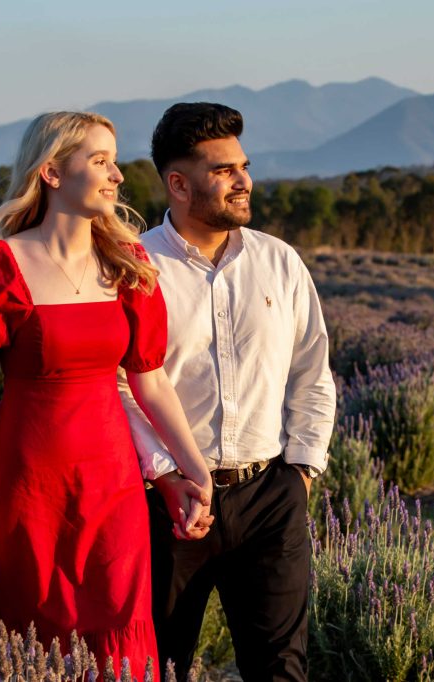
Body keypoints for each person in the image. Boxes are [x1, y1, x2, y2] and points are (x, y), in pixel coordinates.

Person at [0, 111, 213, 680]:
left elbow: (150, 380)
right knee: (21, 642)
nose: (117, 174)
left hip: (113, 493)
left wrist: (194, 469)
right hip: (24, 491)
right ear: (52, 173)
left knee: (115, 635)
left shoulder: (127, 264)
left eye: (114, 160)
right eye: (99, 161)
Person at [118, 103, 336, 681]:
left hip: (270, 496)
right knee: (156, 667)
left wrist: (302, 472)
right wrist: (167, 476)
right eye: (225, 171)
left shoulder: (280, 262)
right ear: (178, 184)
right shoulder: (136, 266)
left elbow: (312, 372)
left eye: (243, 165)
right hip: (170, 506)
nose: (245, 181)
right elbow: (118, 384)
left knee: (281, 670)